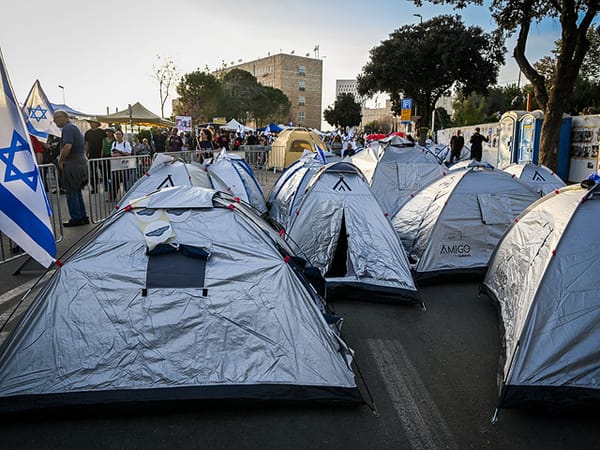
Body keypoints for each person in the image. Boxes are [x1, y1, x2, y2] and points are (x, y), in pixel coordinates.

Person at [53, 110, 89, 227]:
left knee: (72, 192)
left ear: (64, 117)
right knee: (76, 192)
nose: (55, 121)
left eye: (56, 118)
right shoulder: (73, 128)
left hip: (73, 165)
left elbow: (68, 146)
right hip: (79, 163)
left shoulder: (68, 129)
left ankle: (76, 218)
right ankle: (82, 216)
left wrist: (61, 160)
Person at [84, 118, 106, 193]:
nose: (91, 124)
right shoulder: (87, 133)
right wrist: (86, 154)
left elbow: (104, 144)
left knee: (104, 171)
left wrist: (102, 155)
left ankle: (106, 186)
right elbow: (87, 144)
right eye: (90, 122)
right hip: (92, 155)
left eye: (92, 122)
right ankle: (94, 187)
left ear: (96, 123)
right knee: (92, 172)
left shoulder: (102, 132)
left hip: (101, 155)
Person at [111, 129, 135, 195]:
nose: (118, 136)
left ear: (122, 135)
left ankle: (129, 194)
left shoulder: (126, 143)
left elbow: (129, 153)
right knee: (115, 181)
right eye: (116, 134)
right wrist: (117, 154)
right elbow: (112, 154)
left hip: (125, 165)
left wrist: (120, 152)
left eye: (119, 134)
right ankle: (113, 196)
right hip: (116, 165)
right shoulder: (114, 143)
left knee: (126, 181)